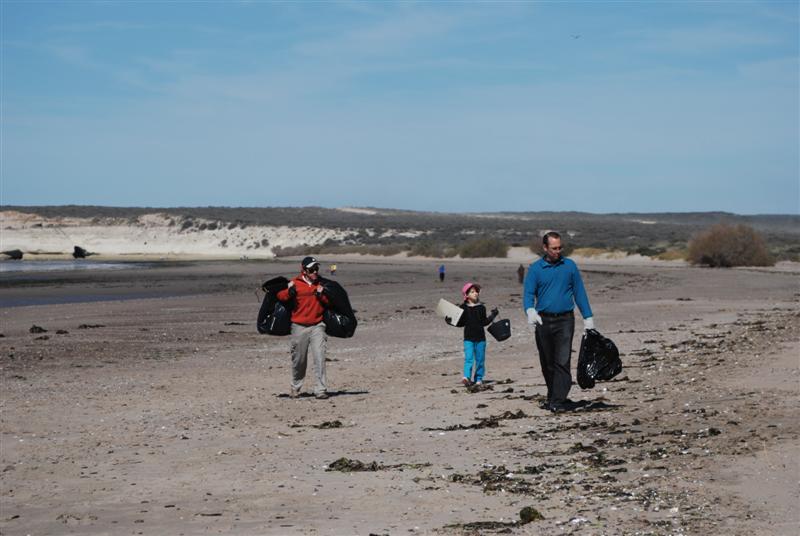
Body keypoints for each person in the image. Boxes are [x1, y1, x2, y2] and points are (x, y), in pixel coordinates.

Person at [523, 231, 595, 413]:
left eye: (560, 247)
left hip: (565, 320)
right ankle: (553, 395)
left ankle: (558, 400)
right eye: (554, 248)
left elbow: (579, 292)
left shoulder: (569, 266)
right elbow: (528, 294)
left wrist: (588, 317)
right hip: (543, 321)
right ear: (545, 248)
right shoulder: (535, 269)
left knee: (562, 361)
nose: (558, 251)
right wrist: (530, 310)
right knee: (547, 362)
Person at [276, 256, 331, 400]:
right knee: (299, 360)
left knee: (320, 357)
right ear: (304, 270)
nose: (315, 272)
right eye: (312, 269)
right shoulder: (294, 283)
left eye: (316, 269)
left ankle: (320, 390)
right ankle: (296, 387)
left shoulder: (321, 284)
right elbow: (280, 297)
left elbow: (329, 302)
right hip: (299, 327)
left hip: (317, 326)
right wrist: (289, 293)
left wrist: (321, 295)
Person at [446, 282, 498, 387]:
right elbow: (460, 323)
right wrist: (450, 321)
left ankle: (478, 378)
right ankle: (466, 377)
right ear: (466, 295)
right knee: (469, 358)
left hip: (480, 338)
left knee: (480, 360)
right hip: (468, 338)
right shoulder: (463, 308)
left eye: (476, 291)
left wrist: (493, 315)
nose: (475, 293)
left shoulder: (481, 308)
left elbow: (484, 322)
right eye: (472, 292)